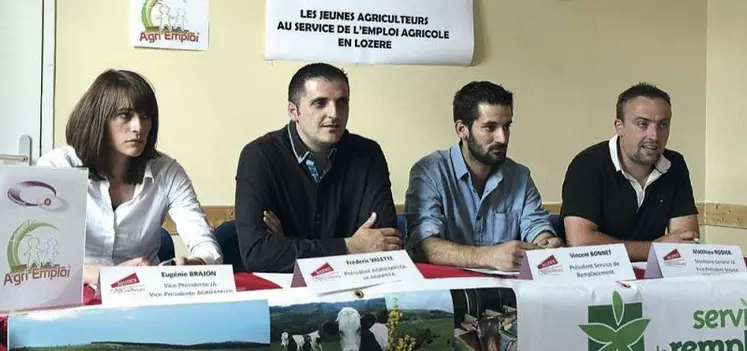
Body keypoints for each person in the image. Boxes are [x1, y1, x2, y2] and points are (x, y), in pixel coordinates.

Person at [37, 69, 222, 284]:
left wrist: (196, 264)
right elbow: (35, 259)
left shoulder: (168, 172)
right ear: (98, 119)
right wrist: (102, 275)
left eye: (145, 117)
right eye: (125, 115)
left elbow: (205, 245)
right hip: (74, 293)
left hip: (143, 296)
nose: (139, 127)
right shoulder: (57, 166)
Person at [234, 63, 401, 273]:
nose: (334, 113)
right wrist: (351, 246)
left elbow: (385, 245)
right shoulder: (259, 156)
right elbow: (258, 254)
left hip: (354, 286)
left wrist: (289, 245)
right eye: (320, 103)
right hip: (283, 293)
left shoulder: (368, 154)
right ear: (293, 111)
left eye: (342, 102)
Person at [405, 81, 561, 272]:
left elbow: (536, 226)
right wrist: (489, 256)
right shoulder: (430, 172)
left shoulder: (520, 176)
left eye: (507, 127)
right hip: (448, 289)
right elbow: (423, 246)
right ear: (462, 129)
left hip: (510, 291)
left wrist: (546, 242)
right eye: (490, 128)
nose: (502, 138)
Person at [560, 83, 699, 261]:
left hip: (653, 278)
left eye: (663, 125)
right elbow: (580, 242)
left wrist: (658, 250)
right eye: (643, 124)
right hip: (596, 277)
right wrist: (655, 249)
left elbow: (686, 240)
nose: (654, 135)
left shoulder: (675, 164)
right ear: (619, 127)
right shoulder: (587, 164)